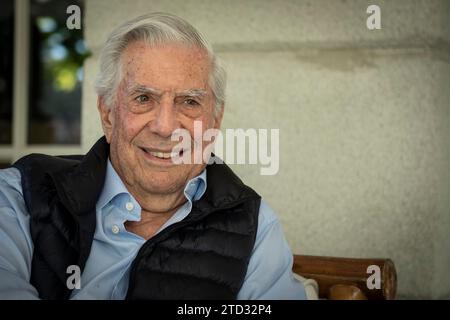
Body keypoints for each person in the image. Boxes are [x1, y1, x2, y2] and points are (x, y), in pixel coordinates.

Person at [0, 12, 307, 300]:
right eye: (144, 98)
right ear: (107, 114)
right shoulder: (20, 194)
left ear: (215, 120)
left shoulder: (257, 227)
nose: (165, 127)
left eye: (189, 101)